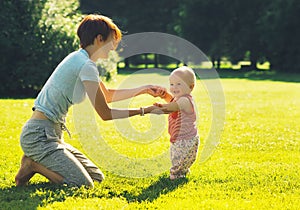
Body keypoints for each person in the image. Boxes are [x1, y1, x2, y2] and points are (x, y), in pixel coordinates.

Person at [15, 14, 162, 188]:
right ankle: (33, 164)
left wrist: (143, 89)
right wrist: (144, 111)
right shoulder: (86, 65)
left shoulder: (80, 59)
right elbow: (105, 114)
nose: (114, 48)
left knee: (96, 177)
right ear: (99, 39)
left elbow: (106, 95)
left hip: (51, 134)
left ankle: (37, 160)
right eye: (112, 41)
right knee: (81, 184)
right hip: (39, 136)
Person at [153, 66, 199, 180]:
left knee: (178, 159)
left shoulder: (185, 100)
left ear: (191, 87)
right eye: (172, 84)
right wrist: (165, 96)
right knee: (180, 158)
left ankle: (175, 176)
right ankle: (182, 171)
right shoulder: (178, 98)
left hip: (185, 140)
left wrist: (160, 107)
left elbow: (172, 107)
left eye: (179, 84)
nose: (174, 87)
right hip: (183, 138)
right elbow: (172, 101)